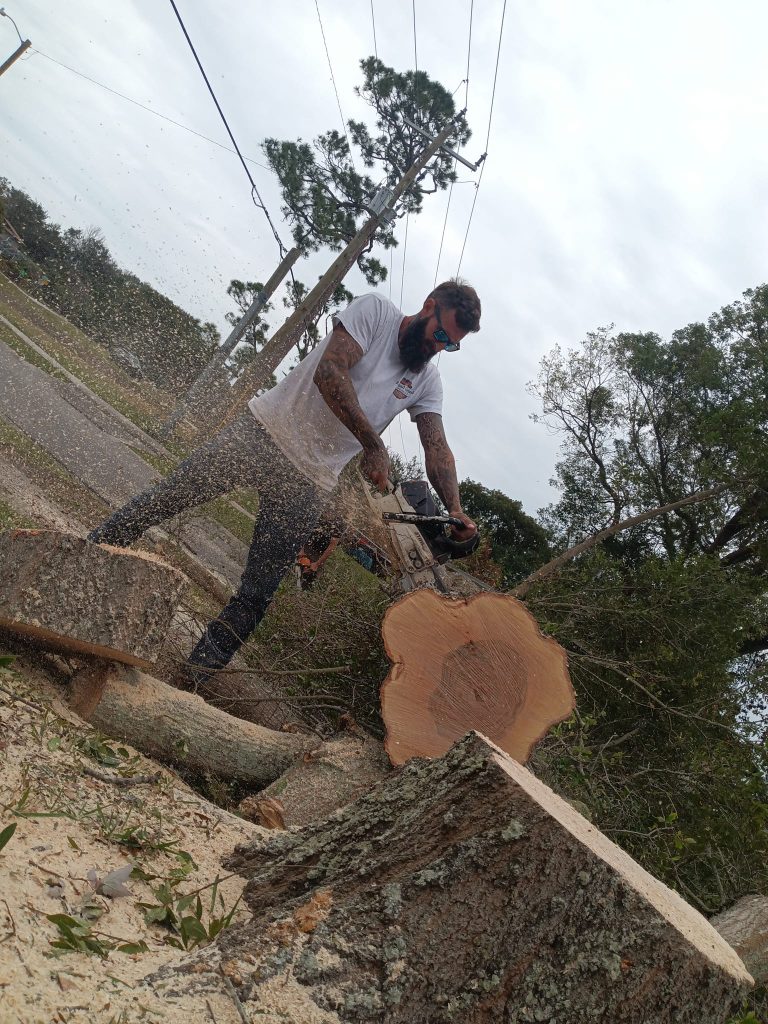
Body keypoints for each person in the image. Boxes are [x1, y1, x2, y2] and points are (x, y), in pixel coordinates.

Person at [88, 278, 481, 686]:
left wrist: (453, 508)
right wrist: (372, 443)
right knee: (162, 501)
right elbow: (331, 371)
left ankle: (189, 681)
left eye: (449, 345)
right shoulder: (376, 313)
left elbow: (436, 446)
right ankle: (83, 554)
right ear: (428, 305)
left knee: (256, 594)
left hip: (310, 483)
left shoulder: (426, 381)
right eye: (439, 334)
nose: (437, 347)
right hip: (261, 435)